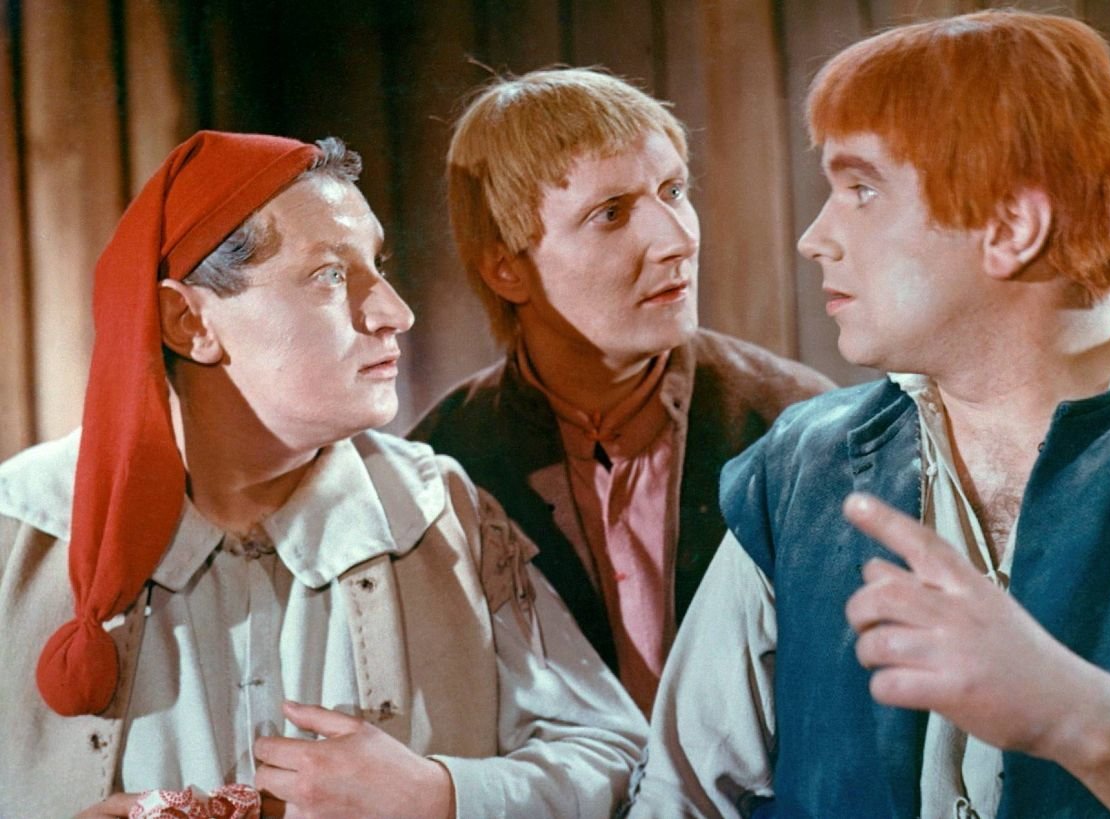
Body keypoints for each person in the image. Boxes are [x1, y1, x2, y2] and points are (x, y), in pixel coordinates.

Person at [634, 10, 1110, 818]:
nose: (814, 237)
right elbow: (681, 797)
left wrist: (1077, 716)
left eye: (861, 189)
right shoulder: (797, 468)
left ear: (1011, 227)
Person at [0, 131, 644, 818]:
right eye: (330, 274)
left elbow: (615, 757)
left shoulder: (441, 511)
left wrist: (441, 795)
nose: (394, 312)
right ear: (188, 322)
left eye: (376, 265)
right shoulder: (20, 531)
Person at [409, 68, 833, 714]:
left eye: (673, 191)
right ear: (506, 267)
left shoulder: (795, 422)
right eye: (610, 213)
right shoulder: (442, 465)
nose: (677, 239)